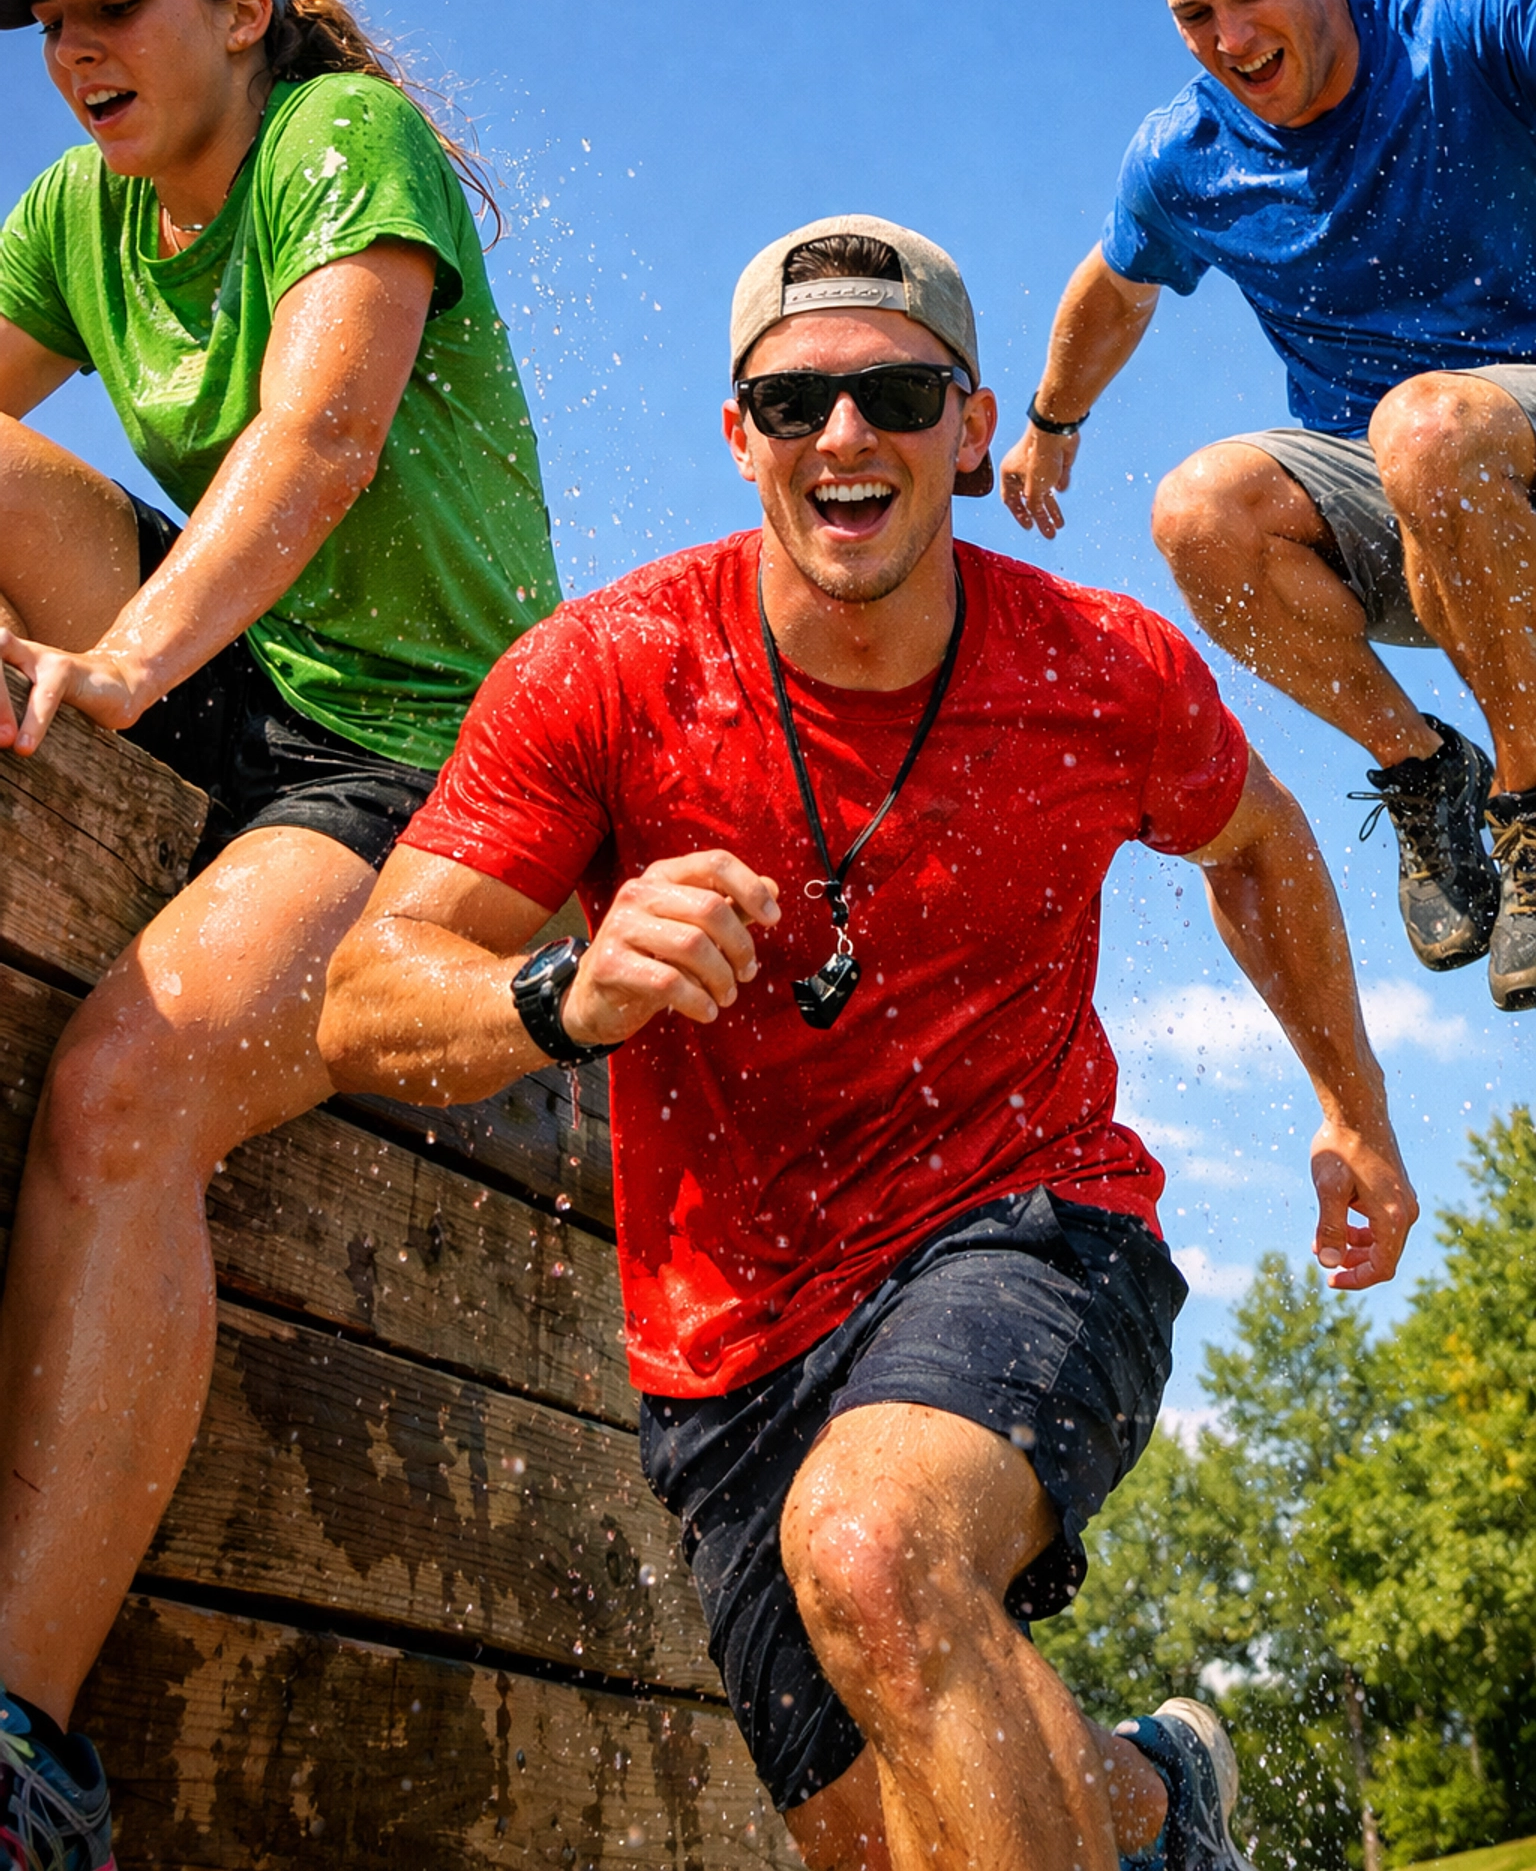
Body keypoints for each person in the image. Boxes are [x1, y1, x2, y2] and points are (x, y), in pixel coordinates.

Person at [320, 215, 1416, 1871]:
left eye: (898, 393)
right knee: (882, 1816)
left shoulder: (1103, 664)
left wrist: (1354, 1104)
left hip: (1036, 1226)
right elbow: (361, 997)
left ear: (972, 429)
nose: (846, 435)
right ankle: (1161, 1799)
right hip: (731, 1348)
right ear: (737, 432)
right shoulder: (606, 676)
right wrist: (561, 990)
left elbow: (1258, 839)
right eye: (793, 400)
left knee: (874, 1544)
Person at [0, 0, 560, 1870]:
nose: (73, 51)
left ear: (239, 7)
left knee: (125, 1099)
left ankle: (20, 1753)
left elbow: (317, 451)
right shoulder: (75, 213)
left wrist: (115, 665)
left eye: (114, 7)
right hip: (250, 671)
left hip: (438, 753)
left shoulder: (348, 139)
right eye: (47, 19)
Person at [1000, 0, 1536, 1013]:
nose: (1232, 42)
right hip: (1404, 505)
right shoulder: (1188, 154)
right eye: (1196, 16)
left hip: (1504, 437)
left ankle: (1531, 808)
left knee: (1430, 428)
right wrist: (1050, 421)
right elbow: (1117, 284)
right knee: (1199, 512)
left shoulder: (1472, 16)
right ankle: (1426, 772)